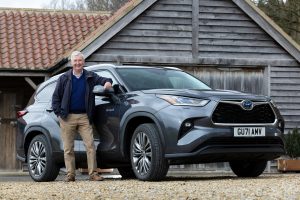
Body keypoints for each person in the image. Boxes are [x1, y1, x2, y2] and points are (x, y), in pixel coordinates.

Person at [52, 51, 112, 182]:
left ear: (83, 62)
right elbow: (56, 98)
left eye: (80, 61)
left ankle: (93, 174)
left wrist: (107, 83)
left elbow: (103, 80)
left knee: (90, 145)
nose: (78, 63)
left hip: (85, 117)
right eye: (75, 61)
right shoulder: (64, 78)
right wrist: (59, 114)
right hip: (67, 117)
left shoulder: (90, 76)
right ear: (72, 63)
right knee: (68, 148)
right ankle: (70, 175)